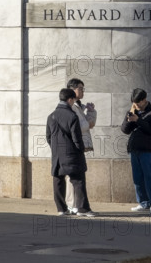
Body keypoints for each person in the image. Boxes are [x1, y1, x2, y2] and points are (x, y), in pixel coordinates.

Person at [46, 88, 96, 217]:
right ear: (70, 100)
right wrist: (80, 149)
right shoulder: (72, 116)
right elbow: (76, 137)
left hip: (57, 155)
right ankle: (82, 209)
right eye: (73, 100)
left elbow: (48, 137)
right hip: (72, 153)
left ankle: (61, 209)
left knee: (58, 180)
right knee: (78, 181)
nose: (74, 102)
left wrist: (56, 148)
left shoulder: (51, 116)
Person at [121, 88, 151, 214]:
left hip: (147, 150)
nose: (136, 105)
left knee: (149, 177)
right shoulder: (134, 112)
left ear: (144, 100)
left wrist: (138, 120)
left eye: (138, 103)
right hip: (134, 150)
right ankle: (143, 203)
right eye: (134, 103)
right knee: (137, 178)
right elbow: (124, 130)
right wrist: (130, 117)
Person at [64, 78, 97, 214]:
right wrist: (87, 122)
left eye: (83, 88)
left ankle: (75, 205)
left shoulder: (77, 105)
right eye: (80, 88)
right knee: (72, 177)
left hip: (79, 145)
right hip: (72, 146)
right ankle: (72, 205)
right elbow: (77, 126)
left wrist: (91, 112)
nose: (83, 91)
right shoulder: (69, 106)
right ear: (72, 89)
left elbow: (90, 124)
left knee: (76, 177)